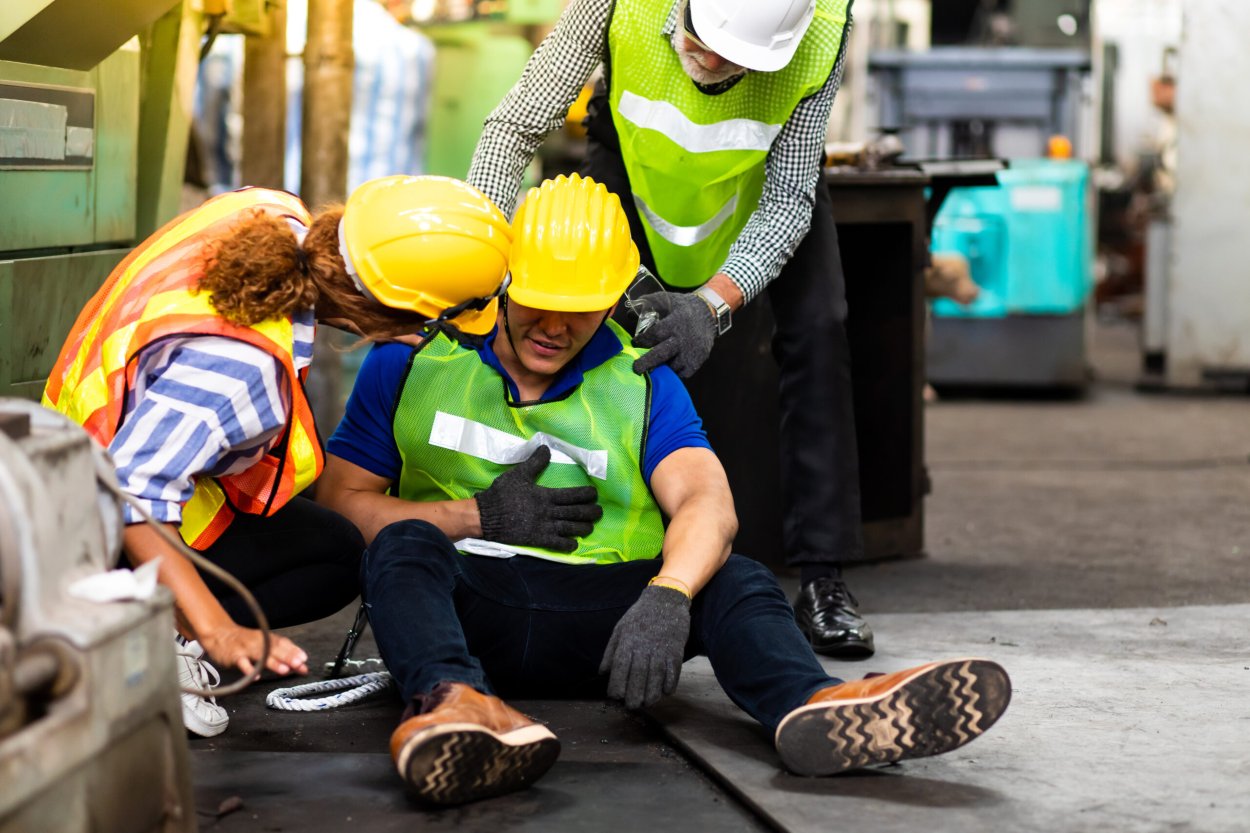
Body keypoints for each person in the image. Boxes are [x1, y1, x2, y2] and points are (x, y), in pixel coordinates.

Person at [317, 174, 1010, 806]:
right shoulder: (409, 362)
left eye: (581, 309)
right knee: (403, 543)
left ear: (615, 297)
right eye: (539, 303)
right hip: (471, 613)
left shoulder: (641, 380)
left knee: (737, 578)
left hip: (613, 632)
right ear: (504, 282)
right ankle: (455, 705)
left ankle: (820, 704)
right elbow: (343, 505)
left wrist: (668, 595)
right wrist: (475, 514)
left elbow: (710, 502)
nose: (555, 327)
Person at [42, 175, 522, 737]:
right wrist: (217, 628)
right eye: (431, 325)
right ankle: (145, 645)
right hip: (86, 529)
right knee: (326, 563)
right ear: (390, 313)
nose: (426, 340)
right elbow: (131, 490)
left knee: (336, 548)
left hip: (68, 458)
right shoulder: (241, 366)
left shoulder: (268, 213)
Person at [467, 0, 874, 658]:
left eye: (734, 57)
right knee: (590, 327)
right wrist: (476, 256)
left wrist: (713, 301)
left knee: (819, 327)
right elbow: (517, 124)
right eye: (701, 40)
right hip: (634, 161)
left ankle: (825, 577)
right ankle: (600, 548)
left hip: (763, 179)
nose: (709, 61)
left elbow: (791, 192)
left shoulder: (823, 23)